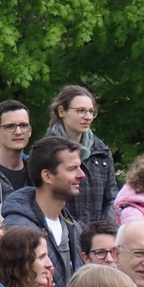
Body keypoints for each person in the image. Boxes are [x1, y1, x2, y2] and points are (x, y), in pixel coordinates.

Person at [0, 135, 87, 287]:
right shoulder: (18, 229)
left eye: (80, 167)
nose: (81, 174)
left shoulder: (73, 226)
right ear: (47, 176)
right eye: (71, 169)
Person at [47, 85, 114, 222]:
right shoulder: (47, 151)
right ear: (62, 111)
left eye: (91, 111)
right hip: (63, 235)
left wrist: (104, 230)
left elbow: (111, 198)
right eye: (81, 111)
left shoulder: (102, 152)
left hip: (98, 236)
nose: (88, 117)